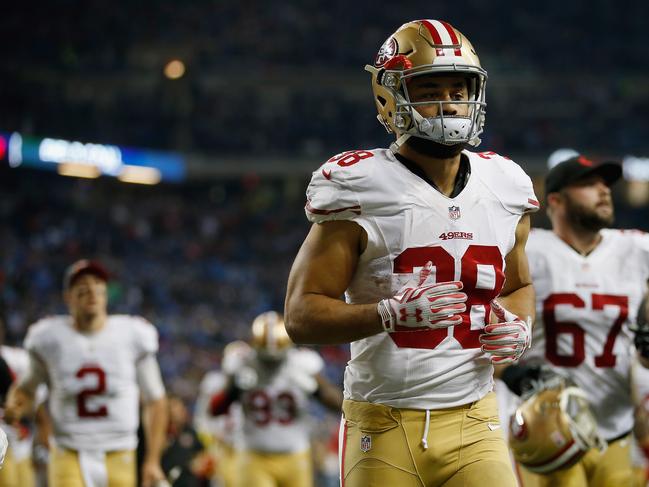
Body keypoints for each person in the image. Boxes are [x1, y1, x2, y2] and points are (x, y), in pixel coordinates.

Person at [284, 19, 539, 487]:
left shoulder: (506, 185)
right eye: (429, 90)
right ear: (391, 97)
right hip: (383, 423)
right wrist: (388, 314)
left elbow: (520, 285)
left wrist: (520, 327)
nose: (448, 104)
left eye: (459, 90)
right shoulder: (361, 186)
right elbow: (301, 317)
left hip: (476, 417)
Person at [499, 155, 649, 486]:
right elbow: (482, 328)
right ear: (555, 200)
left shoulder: (637, 249)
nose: (604, 191)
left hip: (619, 425)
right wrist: (510, 371)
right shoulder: (528, 252)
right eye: (589, 184)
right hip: (549, 429)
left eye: (605, 184)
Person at [4, 259, 169, 487]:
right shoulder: (49, 338)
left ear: (105, 294)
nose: (90, 289)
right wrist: (16, 405)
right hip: (68, 450)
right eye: (81, 285)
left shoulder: (131, 335)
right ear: (68, 297)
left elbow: (156, 401)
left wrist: (152, 460)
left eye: (96, 284)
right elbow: (27, 389)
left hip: (119, 449)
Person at [209, 311, 343, 487]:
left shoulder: (301, 364)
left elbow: (339, 404)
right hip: (253, 455)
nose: (271, 363)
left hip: (295, 455)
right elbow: (215, 410)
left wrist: (315, 389)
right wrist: (234, 389)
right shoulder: (242, 364)